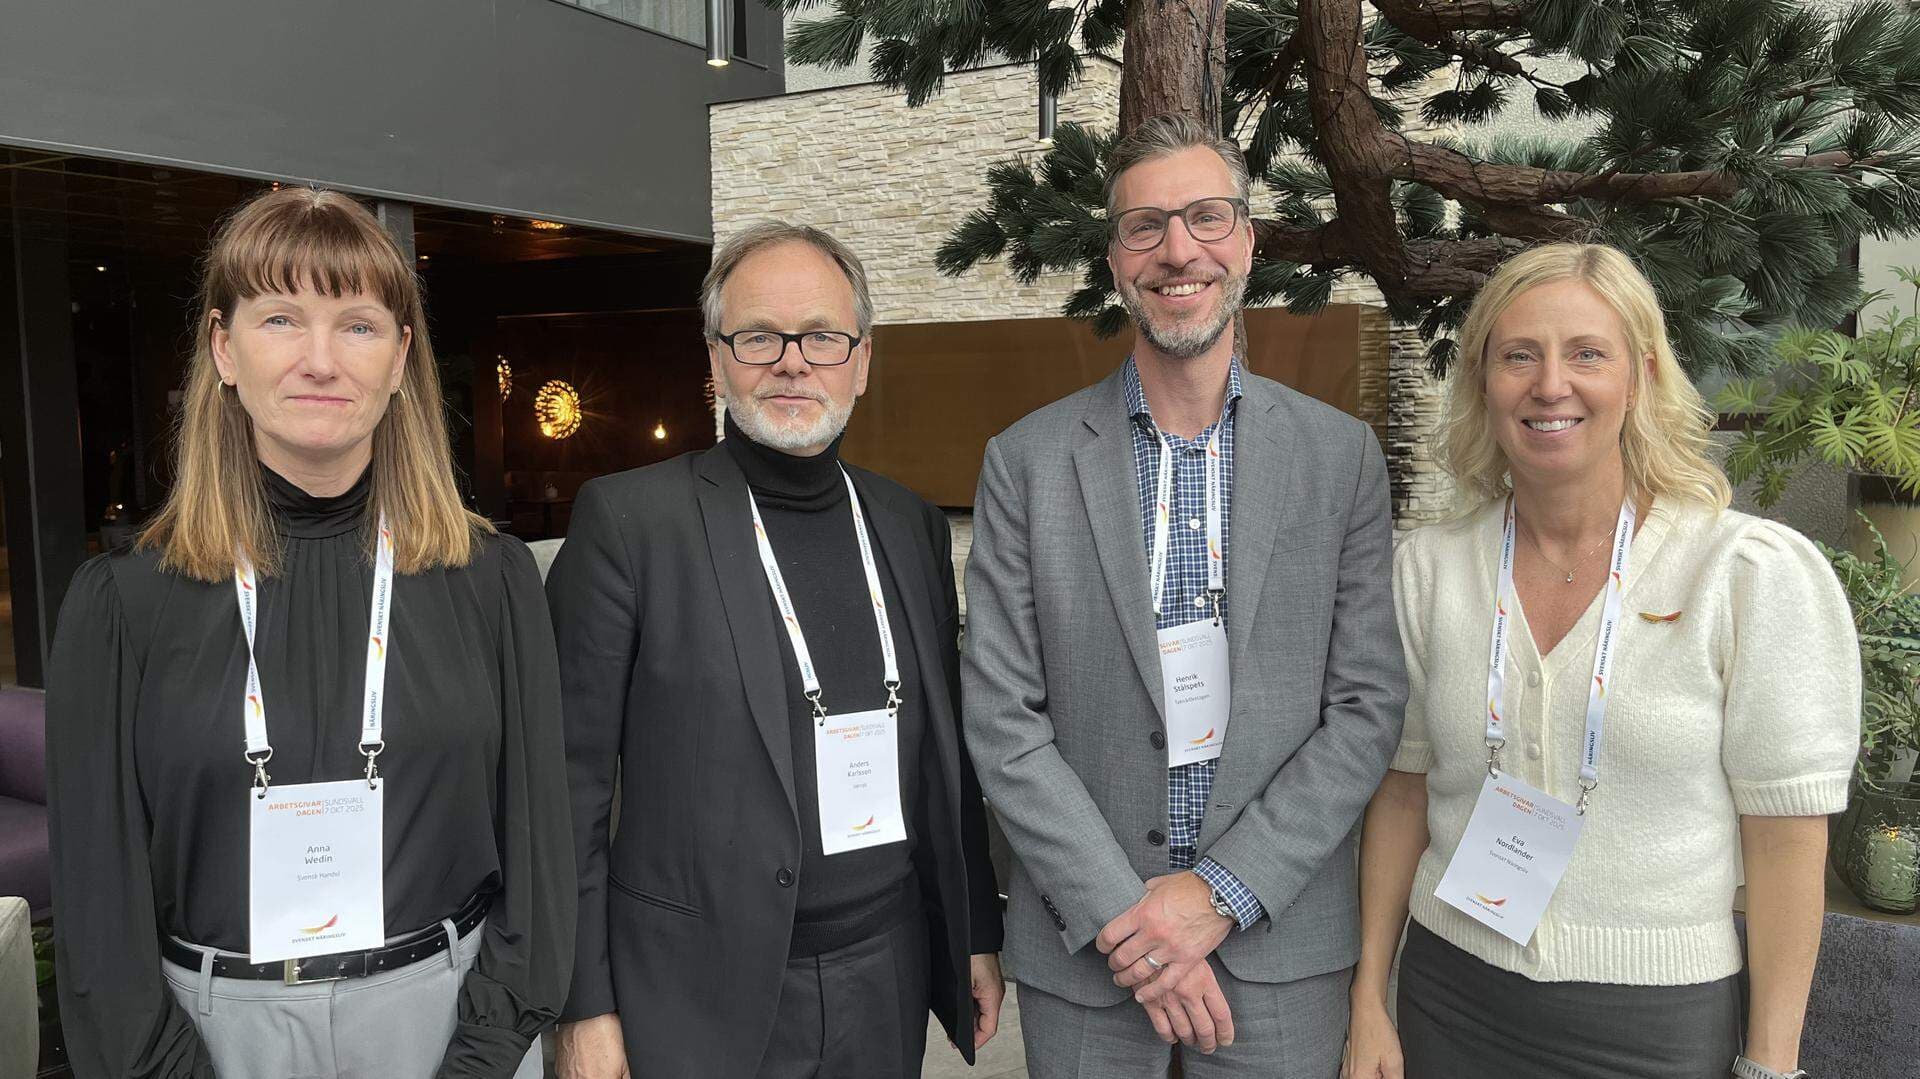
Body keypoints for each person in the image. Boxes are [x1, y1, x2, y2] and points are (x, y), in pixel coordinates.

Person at [45, 186, 574, 1079]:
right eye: (282, 318)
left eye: (359, 325)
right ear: (223, 347)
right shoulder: (120, 603)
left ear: (402, 357)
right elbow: (100, 917)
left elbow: (542, 860)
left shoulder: (492, 582)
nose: (320, 360)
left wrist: (481, 1057)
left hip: (452, 1026)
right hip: (212, 1039)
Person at [1342, 243, 1859, 1079]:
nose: (1551, 384)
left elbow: (1785, 843)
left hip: (1656, 1025)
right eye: (1520, 355)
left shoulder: (1746, 575)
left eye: (1587, 353)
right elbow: (1401, 791)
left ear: (1642, 375)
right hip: (1448, 1000)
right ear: (1482, 380)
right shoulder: (1427, 571)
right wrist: (1370, 993)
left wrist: (1772, 1063)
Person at [961, 113, 1407, 1077]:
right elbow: (1002, 717)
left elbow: (1365, 707)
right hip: (1089, 956)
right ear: (1116, 259)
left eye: (1207, 217)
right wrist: (1132, 919)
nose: (1178, 250)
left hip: (1277, 951)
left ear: (1247, 240)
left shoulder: (1339, 459)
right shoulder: (1026, 463)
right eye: (1145, 226)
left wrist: (1219, 893)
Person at [547, 221, 1005, 1079]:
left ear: (861, 362)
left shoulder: (906, 524)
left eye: (822, 337)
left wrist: (974, 931)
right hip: (695, 991)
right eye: (759, 336)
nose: (792, 361)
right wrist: (584, 1002)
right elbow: (563, 790)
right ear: (716, 358)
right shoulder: (631, 524)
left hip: (888, 971)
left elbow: (950, 759)